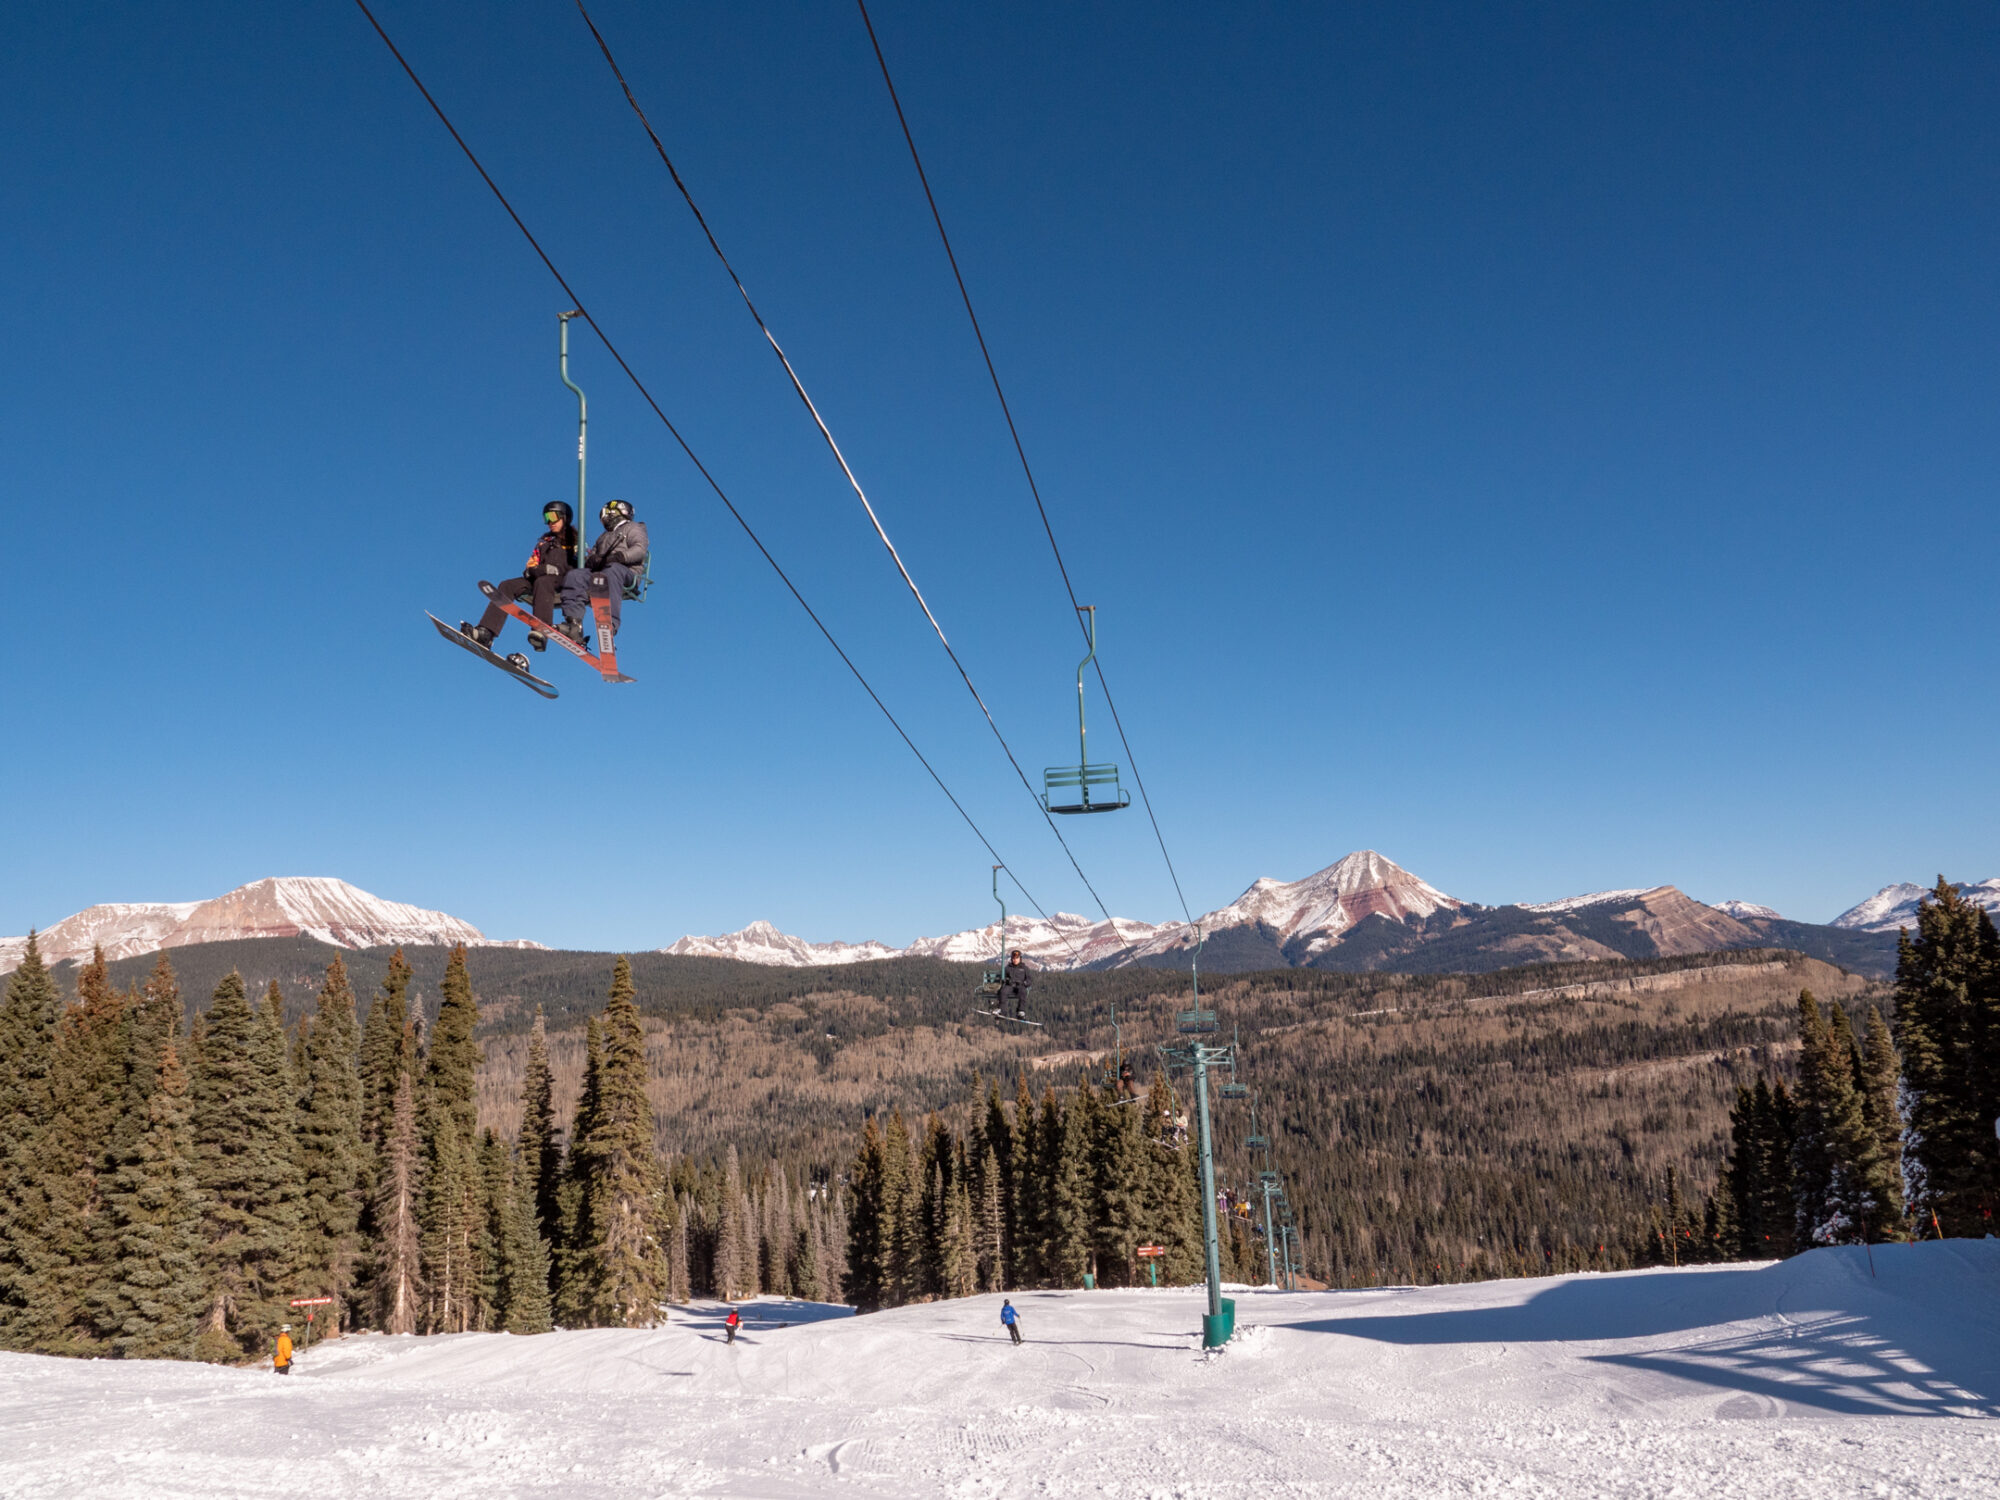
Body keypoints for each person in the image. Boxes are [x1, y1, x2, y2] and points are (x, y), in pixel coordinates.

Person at [461, 502, 578, 653]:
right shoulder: (544, 543)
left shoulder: (575, 541)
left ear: (565, 518)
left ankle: (541, 629)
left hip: (562, 582)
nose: (549, 522)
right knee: (507, 585)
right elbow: (530, 567)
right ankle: (486, 632)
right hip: (539, 580)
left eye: (553, 517)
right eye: (546, 518)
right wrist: (538, 570)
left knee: (544, 581)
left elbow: (582, 565)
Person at [560, 499, 649, 646]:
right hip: (601, 572)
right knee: (575, 575)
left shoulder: (633, 528)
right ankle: (574, 623)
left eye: (607, 514)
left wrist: (619, 557)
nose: (604, 518)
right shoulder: (604, 536)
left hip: (626, 572)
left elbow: (640, 549)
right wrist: (592, 560)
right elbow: (593, 554)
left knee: (612, 570)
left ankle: (610, 623)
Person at [997, 949, 1034, 1020]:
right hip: (1010, 986)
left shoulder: (1024, 968)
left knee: (1023, 991)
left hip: (1020, 986)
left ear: (1020, 958)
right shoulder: (1008, 968)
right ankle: (1002, 1011)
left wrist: (1025, 983)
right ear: (1011, 959)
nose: (1015, 960)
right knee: (1003, 991)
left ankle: (1020, 1011)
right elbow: (1003, 977)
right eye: (1013, 958)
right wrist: (1005, 980)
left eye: (1017, 958)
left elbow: (1029, 979)